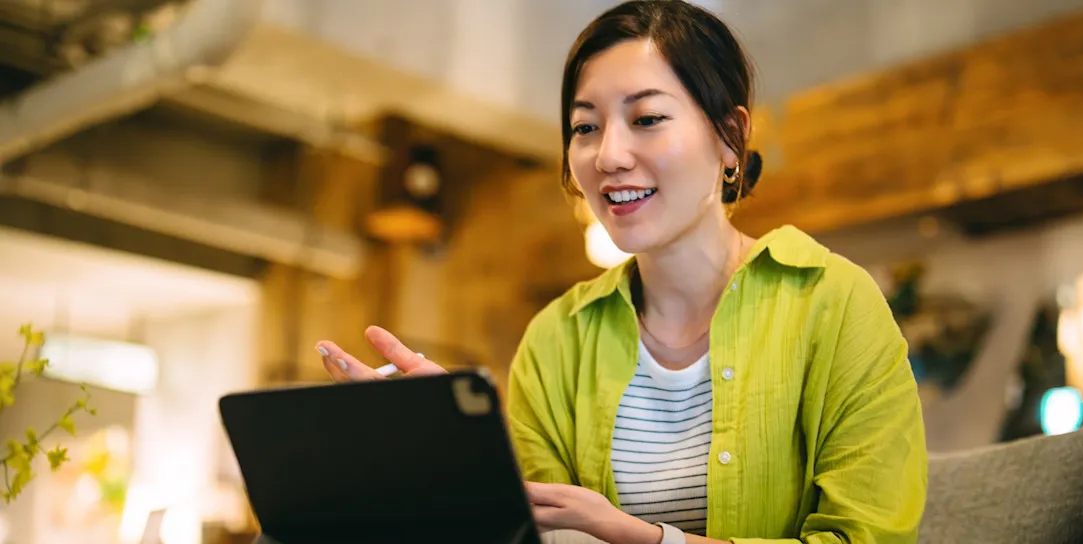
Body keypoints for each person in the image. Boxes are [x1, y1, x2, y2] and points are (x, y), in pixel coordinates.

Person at [315, 1, 927, 542]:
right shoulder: (558, 339)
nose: (608, 155)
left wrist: (642, 538)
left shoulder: (835, 304)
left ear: (730, 137)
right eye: (585, 127)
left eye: (647, 119)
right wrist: (457, 454)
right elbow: (536, 535)